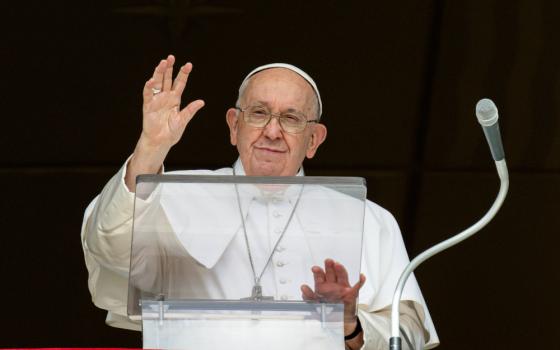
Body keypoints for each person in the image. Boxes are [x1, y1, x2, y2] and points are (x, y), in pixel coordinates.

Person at [81, 55, 439, 349]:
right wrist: (150, 150)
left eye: (291, 118)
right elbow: (111, 249)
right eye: (258, 113)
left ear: (314, 139)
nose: (272, 131)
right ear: (234, 126)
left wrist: (350, 325)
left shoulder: (368, 219)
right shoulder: (171, 195)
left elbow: (407, 337)